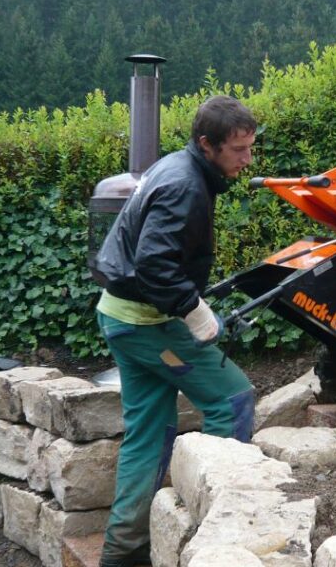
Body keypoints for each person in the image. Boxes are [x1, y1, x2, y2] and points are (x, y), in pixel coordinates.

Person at [92, 95, 257, 567]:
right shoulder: (185, 185)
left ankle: (123, 555)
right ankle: (216, 542)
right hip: (147, 324)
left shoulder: (178, 166)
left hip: (122, 315)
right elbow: (154, 264)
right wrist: (195, 312)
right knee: (232, 400)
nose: (247, 159)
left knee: (150, 433)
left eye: (250, 147)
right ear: (207, 144)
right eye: (237, 150)